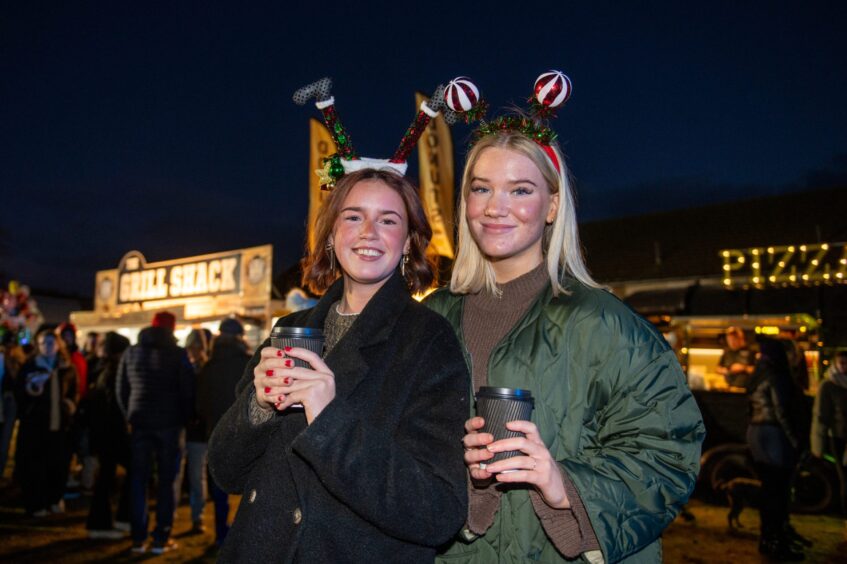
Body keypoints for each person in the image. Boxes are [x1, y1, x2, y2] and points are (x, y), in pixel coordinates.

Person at [425, 125, 705, 563]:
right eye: (482, 188)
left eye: (520, 190)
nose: (496, 208)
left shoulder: (605, 323)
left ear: (552, 205)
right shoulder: (433, 318)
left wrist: (562, 484)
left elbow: (668, 454)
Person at [207, 168, 469, 563]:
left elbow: (437, 512)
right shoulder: (289, 329)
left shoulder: (429, 341)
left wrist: (329, 420)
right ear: (330, 235)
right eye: (353, 216)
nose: (368, 231)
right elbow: (225, 473)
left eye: (388, 220)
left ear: (409, 242)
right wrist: (256, 408)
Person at [116, 311, 194, 554]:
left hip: (140, 422)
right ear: (171, 329)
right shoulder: (178, 354)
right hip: (170, 425)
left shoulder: (132, 352)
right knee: (167, 482)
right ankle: (161, 537)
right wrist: (184, 417)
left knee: (138, 480)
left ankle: (138, 538)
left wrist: (130, 415)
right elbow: (187, 391)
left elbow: (121, 389)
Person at [745, 337, 805, 560]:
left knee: (770, 488)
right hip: (773, 434)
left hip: (757, 432)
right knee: (778, 489)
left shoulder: (757, 376)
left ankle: (769, 537)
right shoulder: (777, 376)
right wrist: (796, 440)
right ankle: (774, 539)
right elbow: (782, 412)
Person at [196, 317, 251, 547]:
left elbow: (199, 404)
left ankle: (221, 533)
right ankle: (246, 535)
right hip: (246, 430)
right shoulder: (248, 362)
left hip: (215, 431)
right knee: (251, 484)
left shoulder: (209, 365)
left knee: (219, 485)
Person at [14, 328, 78, 516]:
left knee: (57, 465)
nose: (48, 347)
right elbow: (20, 394)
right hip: (36, 424)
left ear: (59, 345)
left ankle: (54, 499)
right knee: (35, 465)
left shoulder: (66, 367)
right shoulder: (30, 367)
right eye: (43, 343)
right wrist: (32, 393)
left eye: (51, 343)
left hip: (60, 425)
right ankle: (36, 503)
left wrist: (70, 404)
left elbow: (74, 390)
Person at [86, 331, 131, 538]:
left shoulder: (101, 369)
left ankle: (116, 519)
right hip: (111, 434)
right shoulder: (114, 373)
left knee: (106, 477)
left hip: (104, 434)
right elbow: (115, 407)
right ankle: (101, 524)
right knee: (106, 478)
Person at [178, 328, 209, 535]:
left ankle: (197, 517)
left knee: (197, 475)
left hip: (196, 431)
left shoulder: (206, 370)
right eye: (191, 347)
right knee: (179, 475)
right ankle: (175, 516)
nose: (194, 351)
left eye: (197, 348)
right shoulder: (183, 368)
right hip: (182, 428)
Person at [811, 350, 847, 520]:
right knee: (844, 478)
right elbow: (821, 415)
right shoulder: (829, 385)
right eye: (842, 363)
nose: (844, 367)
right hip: (838, 437)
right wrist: (818, 445)